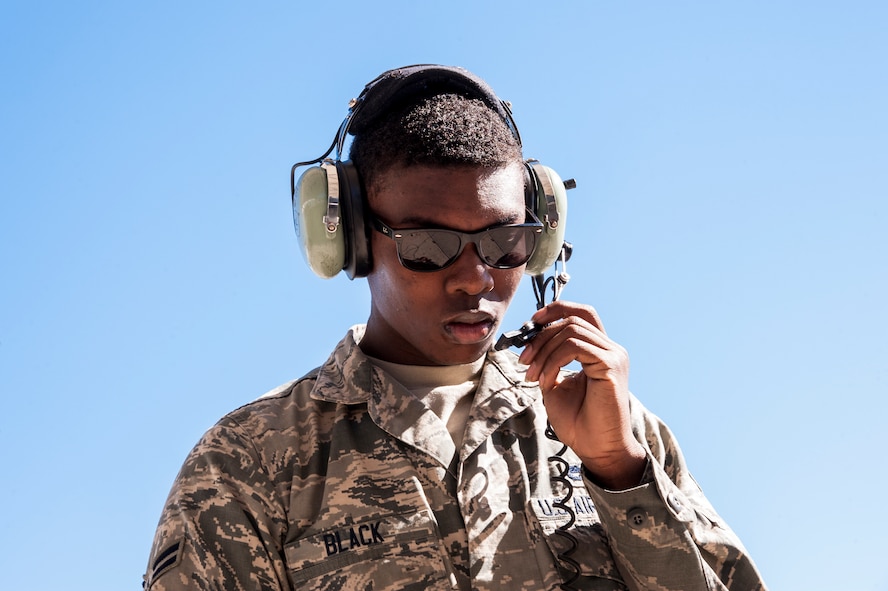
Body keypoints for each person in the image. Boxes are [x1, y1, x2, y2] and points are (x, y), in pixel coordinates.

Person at [143, 64, 767, 591]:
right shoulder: (248, 460)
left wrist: (618, 469)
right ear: (352, 240)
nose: (475, 278)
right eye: (427, 245)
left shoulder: (616, 430)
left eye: (505, 241)